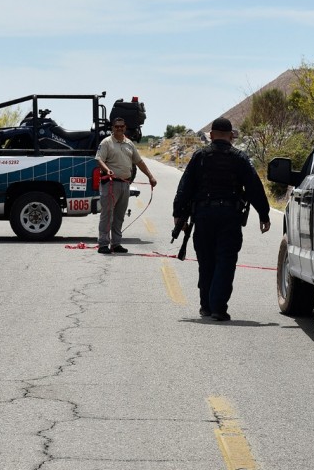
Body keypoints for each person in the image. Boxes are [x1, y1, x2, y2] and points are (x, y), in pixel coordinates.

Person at [172, 117, 271, 321]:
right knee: (225, 261)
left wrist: (177, 214)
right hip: (229, 217)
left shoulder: (200, 156)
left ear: (211, 135)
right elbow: (254, 187)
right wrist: (264, 213)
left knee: (206, 261)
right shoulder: (239, 158)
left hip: (204, 217)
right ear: (231, 136)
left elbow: (185, 186)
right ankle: (218, 307)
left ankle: (206, 306)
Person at [95, 118, 157, 254]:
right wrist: (107, 170)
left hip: (125, 184)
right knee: (107, 214)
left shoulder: (129, 144)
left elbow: (139, 162)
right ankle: (103, 244)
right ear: (112, 128)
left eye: (121, 126)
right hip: (110, 184)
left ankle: (116, 244)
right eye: (116, 127)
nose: (119, 128)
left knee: (119, 216)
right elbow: (99, 159)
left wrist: (150, 176)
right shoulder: (106, 142)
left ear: (125, 127)